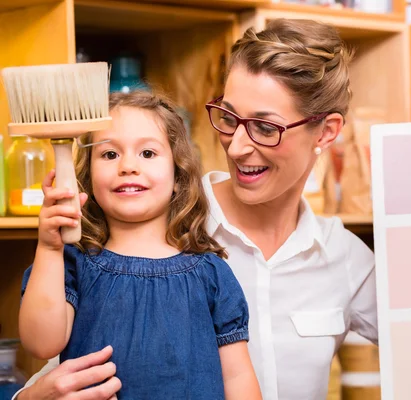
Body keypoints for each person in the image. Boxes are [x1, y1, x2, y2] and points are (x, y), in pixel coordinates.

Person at [13, 18, 411, 400]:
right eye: (228, 118)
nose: (239, 145)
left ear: (327, 131)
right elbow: (52, 345)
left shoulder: (346, 259)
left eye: (267, 127)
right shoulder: (161, 216)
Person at [17, 91, 261, 400]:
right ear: (88, 176)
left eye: (147, 153)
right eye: (109, 154)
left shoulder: (212, 274)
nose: (128, 166)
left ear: (177, 174)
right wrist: (49, 249)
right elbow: (41, 344)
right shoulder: (70, 265)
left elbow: (238, 377)